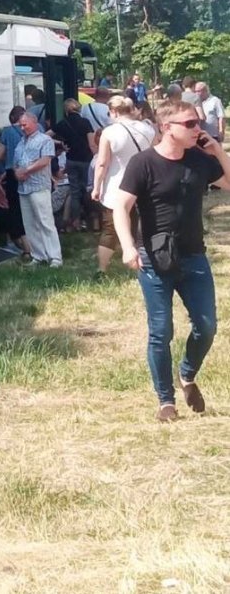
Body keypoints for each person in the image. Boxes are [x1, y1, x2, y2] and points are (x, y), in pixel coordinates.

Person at [112, 100, 230, 421]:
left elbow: (229, 183)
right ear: (167, 128)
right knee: (161, 332)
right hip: (154, 258)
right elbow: (121, 207)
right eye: (190, 124)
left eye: (199, 123)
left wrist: (218, 151)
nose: (198, 129)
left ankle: (187, 374)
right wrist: (127, 247)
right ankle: (166, 401)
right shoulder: (143, 163)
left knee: (206, 327)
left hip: (193, 255)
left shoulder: (198, 160)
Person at [90, 95, 155, 276]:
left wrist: (96, 187)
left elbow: (102, 163)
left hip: (116, 185)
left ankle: (102, 268)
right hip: (146, 183)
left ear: (114, 111)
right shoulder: (148, 129)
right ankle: (144, 262)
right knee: (144, 224)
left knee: (111, 228)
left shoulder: (109, 133)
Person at [13, 111, 63, 267]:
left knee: (45, 221)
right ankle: (38, 255)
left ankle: (55, 257)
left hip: (39, 186)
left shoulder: (45, 140)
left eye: (24, 124)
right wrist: (17, 173)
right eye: (20, 125)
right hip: (24, 188)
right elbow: (15, 163)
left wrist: (26, 170)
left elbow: (45, 160)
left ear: (34, 123)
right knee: (30, 223)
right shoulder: (21, 142)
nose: (22, 128)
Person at [53, 99, 95, 232]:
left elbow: (46, 135)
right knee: (87, 189)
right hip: (86, 159)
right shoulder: (85, 122)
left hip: (71, 160)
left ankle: (75, 221)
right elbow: (91, 143)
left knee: (75, 192)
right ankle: (90, 221)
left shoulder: (63, 123)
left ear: (66, 110)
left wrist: (60, 144)